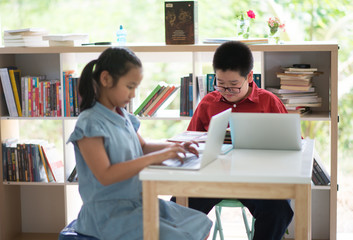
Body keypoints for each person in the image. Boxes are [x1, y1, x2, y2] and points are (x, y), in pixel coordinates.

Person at [67, 47, 212, 240]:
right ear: (106, 79)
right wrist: (158, 157)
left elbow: (142, 147)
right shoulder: (89, 123)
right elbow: (105, 175)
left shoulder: (123, 115)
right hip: (107, 215)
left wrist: (173, 147)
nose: (134, 94)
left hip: (137, 203)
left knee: (200, 222)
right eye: (130, 86)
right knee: (179, 236)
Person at [172, 41, 293, 240]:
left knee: (278, 210)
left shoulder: (268, 101)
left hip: (258, 179)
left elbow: (292, 143)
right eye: (221, 84)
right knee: (178, 206)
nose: (226, 91)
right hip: (213, 178)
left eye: (234, 86)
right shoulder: (208, 103)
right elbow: (190, 140)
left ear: (250, 77)